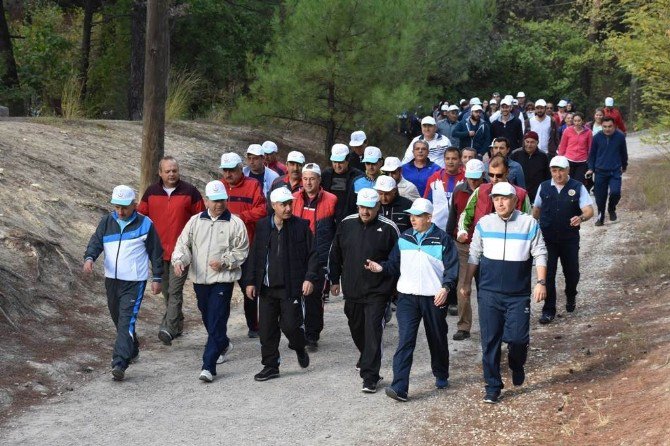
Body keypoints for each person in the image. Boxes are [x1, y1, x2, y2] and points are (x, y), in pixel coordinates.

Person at [461, 182, 548, 404]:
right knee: (490, 341)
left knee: (518, 339)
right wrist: (467, 283)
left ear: (514, 200)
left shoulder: (528, 223)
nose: (499, 202)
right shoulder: (484, 223)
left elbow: (540, 252)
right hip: (489, 292)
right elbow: (474, 255)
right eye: (495, 198)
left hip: (517, 294)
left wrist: (541, 282)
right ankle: (492, 386)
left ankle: (516, 364)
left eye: (505, 198)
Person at [364, 199, 458, 402]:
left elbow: (452, 268)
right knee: (405, 341)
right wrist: (381, 267)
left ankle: (441, 373)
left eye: (417, 215)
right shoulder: (404, 237)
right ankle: (399, 387)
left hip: (434, 298)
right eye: (411, 215)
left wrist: (446, 288)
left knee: (437, 338)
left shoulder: (443, 239)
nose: (412, 218)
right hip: (407, 298)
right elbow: (393, 264)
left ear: (429, 218)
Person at [171, 180, 249, 382]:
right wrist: (179, 261)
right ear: (206, 201)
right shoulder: (195, 222)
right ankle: (222, 343)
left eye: (222, 200)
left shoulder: (236, 224)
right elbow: (183, 245)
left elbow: (242, 251)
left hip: (223, 280)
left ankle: (208, 366)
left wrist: (225, 262)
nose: (219, 204)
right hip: (200, 279)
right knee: (208, 317)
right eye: (214, 201)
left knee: (217, 318)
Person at [83, 185, 163, 381]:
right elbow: (96, 241)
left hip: (134, 282)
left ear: (134, 205)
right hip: (111, 279)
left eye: (124, 207)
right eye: (117, 207)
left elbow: (156, 252)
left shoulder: (145, 224)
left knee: (126, 320)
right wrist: (89, 258)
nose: (120, 211)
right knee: (118, 318)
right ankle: (132, 347)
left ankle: (119, 362)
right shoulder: (106, 221)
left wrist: (157, 277)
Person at [328, 188, 400, 393]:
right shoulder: (346, 223)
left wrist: (392, 283)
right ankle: (366, 355)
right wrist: (334, 279)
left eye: (370, 208)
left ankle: (370, 376)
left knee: (373, 331)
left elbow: (398, 260)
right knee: (356, 326)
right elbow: (335, 253)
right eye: (362, 207)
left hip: (378, 291)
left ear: (378, 207)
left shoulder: (389, 228)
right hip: (352, 289)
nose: (365, 212)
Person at [245, 187, 319, 381]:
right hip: (267, 289)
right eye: (283, 205)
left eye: (290, 204)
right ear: (273, 205)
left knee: (291, 326)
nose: (287, 208)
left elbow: (313, 254)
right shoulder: (262, 226)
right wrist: (251, 281)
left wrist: (309, 277)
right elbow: (255, 255)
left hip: (291, 288)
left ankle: (299, 346)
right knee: (266, 330)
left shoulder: (301, 226)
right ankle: (271, 366)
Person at [137, 156, 205, 346]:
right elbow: (141, 216)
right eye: (167, 171)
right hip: (158, 252)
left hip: (181, 252)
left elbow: (201, 220)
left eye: (174, 170)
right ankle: (178, 323)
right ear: (160, 173)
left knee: (175, 291)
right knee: (167, 292)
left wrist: (195, 247)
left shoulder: (190, 192)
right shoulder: (151, 192)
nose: (171, 174)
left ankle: (168, 327)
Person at [532, 156, 594, 324]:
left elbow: (589, 210)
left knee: (572, 273)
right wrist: (531, 229)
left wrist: (581, 217)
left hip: (569, 238)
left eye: (561, 170)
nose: (558, 174)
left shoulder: (578, 187)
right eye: (554, 170)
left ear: (568, 170)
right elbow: (536, 209)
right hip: (548, 239)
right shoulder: (544, 187)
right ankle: (548, 309)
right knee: (548, 274)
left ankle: (571, 294)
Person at [219, 152, 268, 337]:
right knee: (222, 291)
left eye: (232, 170)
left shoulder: (252, 185)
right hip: (223, 248)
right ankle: (220, 329)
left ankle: (253, 326)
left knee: (249, 288)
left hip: (247, 246)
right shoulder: (219, 187)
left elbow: (262, 210)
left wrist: (242, 217)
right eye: (225, 170)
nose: (228, 174)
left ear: (241, 169)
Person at [291, 163, 337, 350]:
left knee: (313, 297)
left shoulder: (332, 199)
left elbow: (336, 230)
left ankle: (312, 335)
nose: (308, 182)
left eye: (312, 179)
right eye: (305, 178)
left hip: (319, 255)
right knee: (295, 296)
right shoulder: (293, 198)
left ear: (319, 180)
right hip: (296, 255)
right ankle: (297, 331)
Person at [446, 159, 486, 341]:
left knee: (485, 286)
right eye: (470, 178)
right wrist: (449, 238)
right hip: (463, 245)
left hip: (486, 246)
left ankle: (488, 324)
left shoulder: (490, 191)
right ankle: (463, 326)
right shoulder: (458, 190)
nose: (473, 182)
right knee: (463, 285)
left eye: (477, 179)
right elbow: (452, 217)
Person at [457, 155, 531, 242]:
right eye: (491, 175)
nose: (494, 179)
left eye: (499, 175)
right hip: (482, 244)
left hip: (510, 245)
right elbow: (466, 214)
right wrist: (462, 230)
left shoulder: (521, 194)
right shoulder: (480, 190)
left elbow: (528, 222)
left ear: (507, 172)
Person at [587, 116, 628, 226]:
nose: (607, 129)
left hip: (615, 170)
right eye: (604, 127)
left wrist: (624, 165)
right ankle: (601, 216)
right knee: (600, 197)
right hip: (600, 171)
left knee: (615, 192)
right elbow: (592, 155)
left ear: (614, 125)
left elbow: (624, 152)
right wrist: (591, 168)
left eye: (610, 126)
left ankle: (611, 208)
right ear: (601, 126)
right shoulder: (596, 138)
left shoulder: (620, 136)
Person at [423, 147, 465, 230]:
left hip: (459, 229)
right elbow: (426, 202)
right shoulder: (433, 178)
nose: (450, 162)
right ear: (444, 159)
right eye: (447, 158)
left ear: (460, 160)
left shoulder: (466, 179)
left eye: (454, 159)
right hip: (436, 227)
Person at [321, 143, 363, 224]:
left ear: (348, 160)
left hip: (350, 219)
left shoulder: (358, 176)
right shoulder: (325, 175)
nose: (337, 165)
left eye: (340, 162)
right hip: (328, 218)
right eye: (334, 162)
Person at [510, 131, 551, 202]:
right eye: (527, 142)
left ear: (537, 143)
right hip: (518, 193)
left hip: (536, 194)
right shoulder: (515, 154)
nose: (529, 145)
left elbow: (547, 176)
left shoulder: (543, 156)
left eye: (532, 142)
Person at [557, 112, 593, 186]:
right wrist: (560, 159)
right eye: (575, 121)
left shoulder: (588, 132)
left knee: (579, 182)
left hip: (582, 161)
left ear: (583, 121)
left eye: (579, 121)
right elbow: (563, 146)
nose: (577, 123)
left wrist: (590, 164)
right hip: (569, 160)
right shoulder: (567, 130)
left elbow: (590, 148)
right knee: (567, 182)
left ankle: (577, 197)